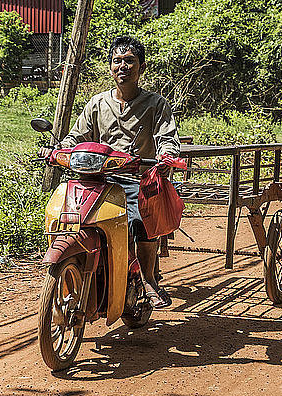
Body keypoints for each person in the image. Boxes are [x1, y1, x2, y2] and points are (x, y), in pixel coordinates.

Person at [41, 36, 180, 308]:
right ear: (110, 67)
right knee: (67, 211)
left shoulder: (155, 103)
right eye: (117, 61)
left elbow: (167, 137)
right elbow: (76, 136)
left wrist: (166, 156)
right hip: (96, 176)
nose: (123, 66)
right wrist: (57, 150)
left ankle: (149, 278)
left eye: (130, 61)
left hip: (136, 178)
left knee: (140, 219)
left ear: (141, 67)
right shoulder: (97, 103)